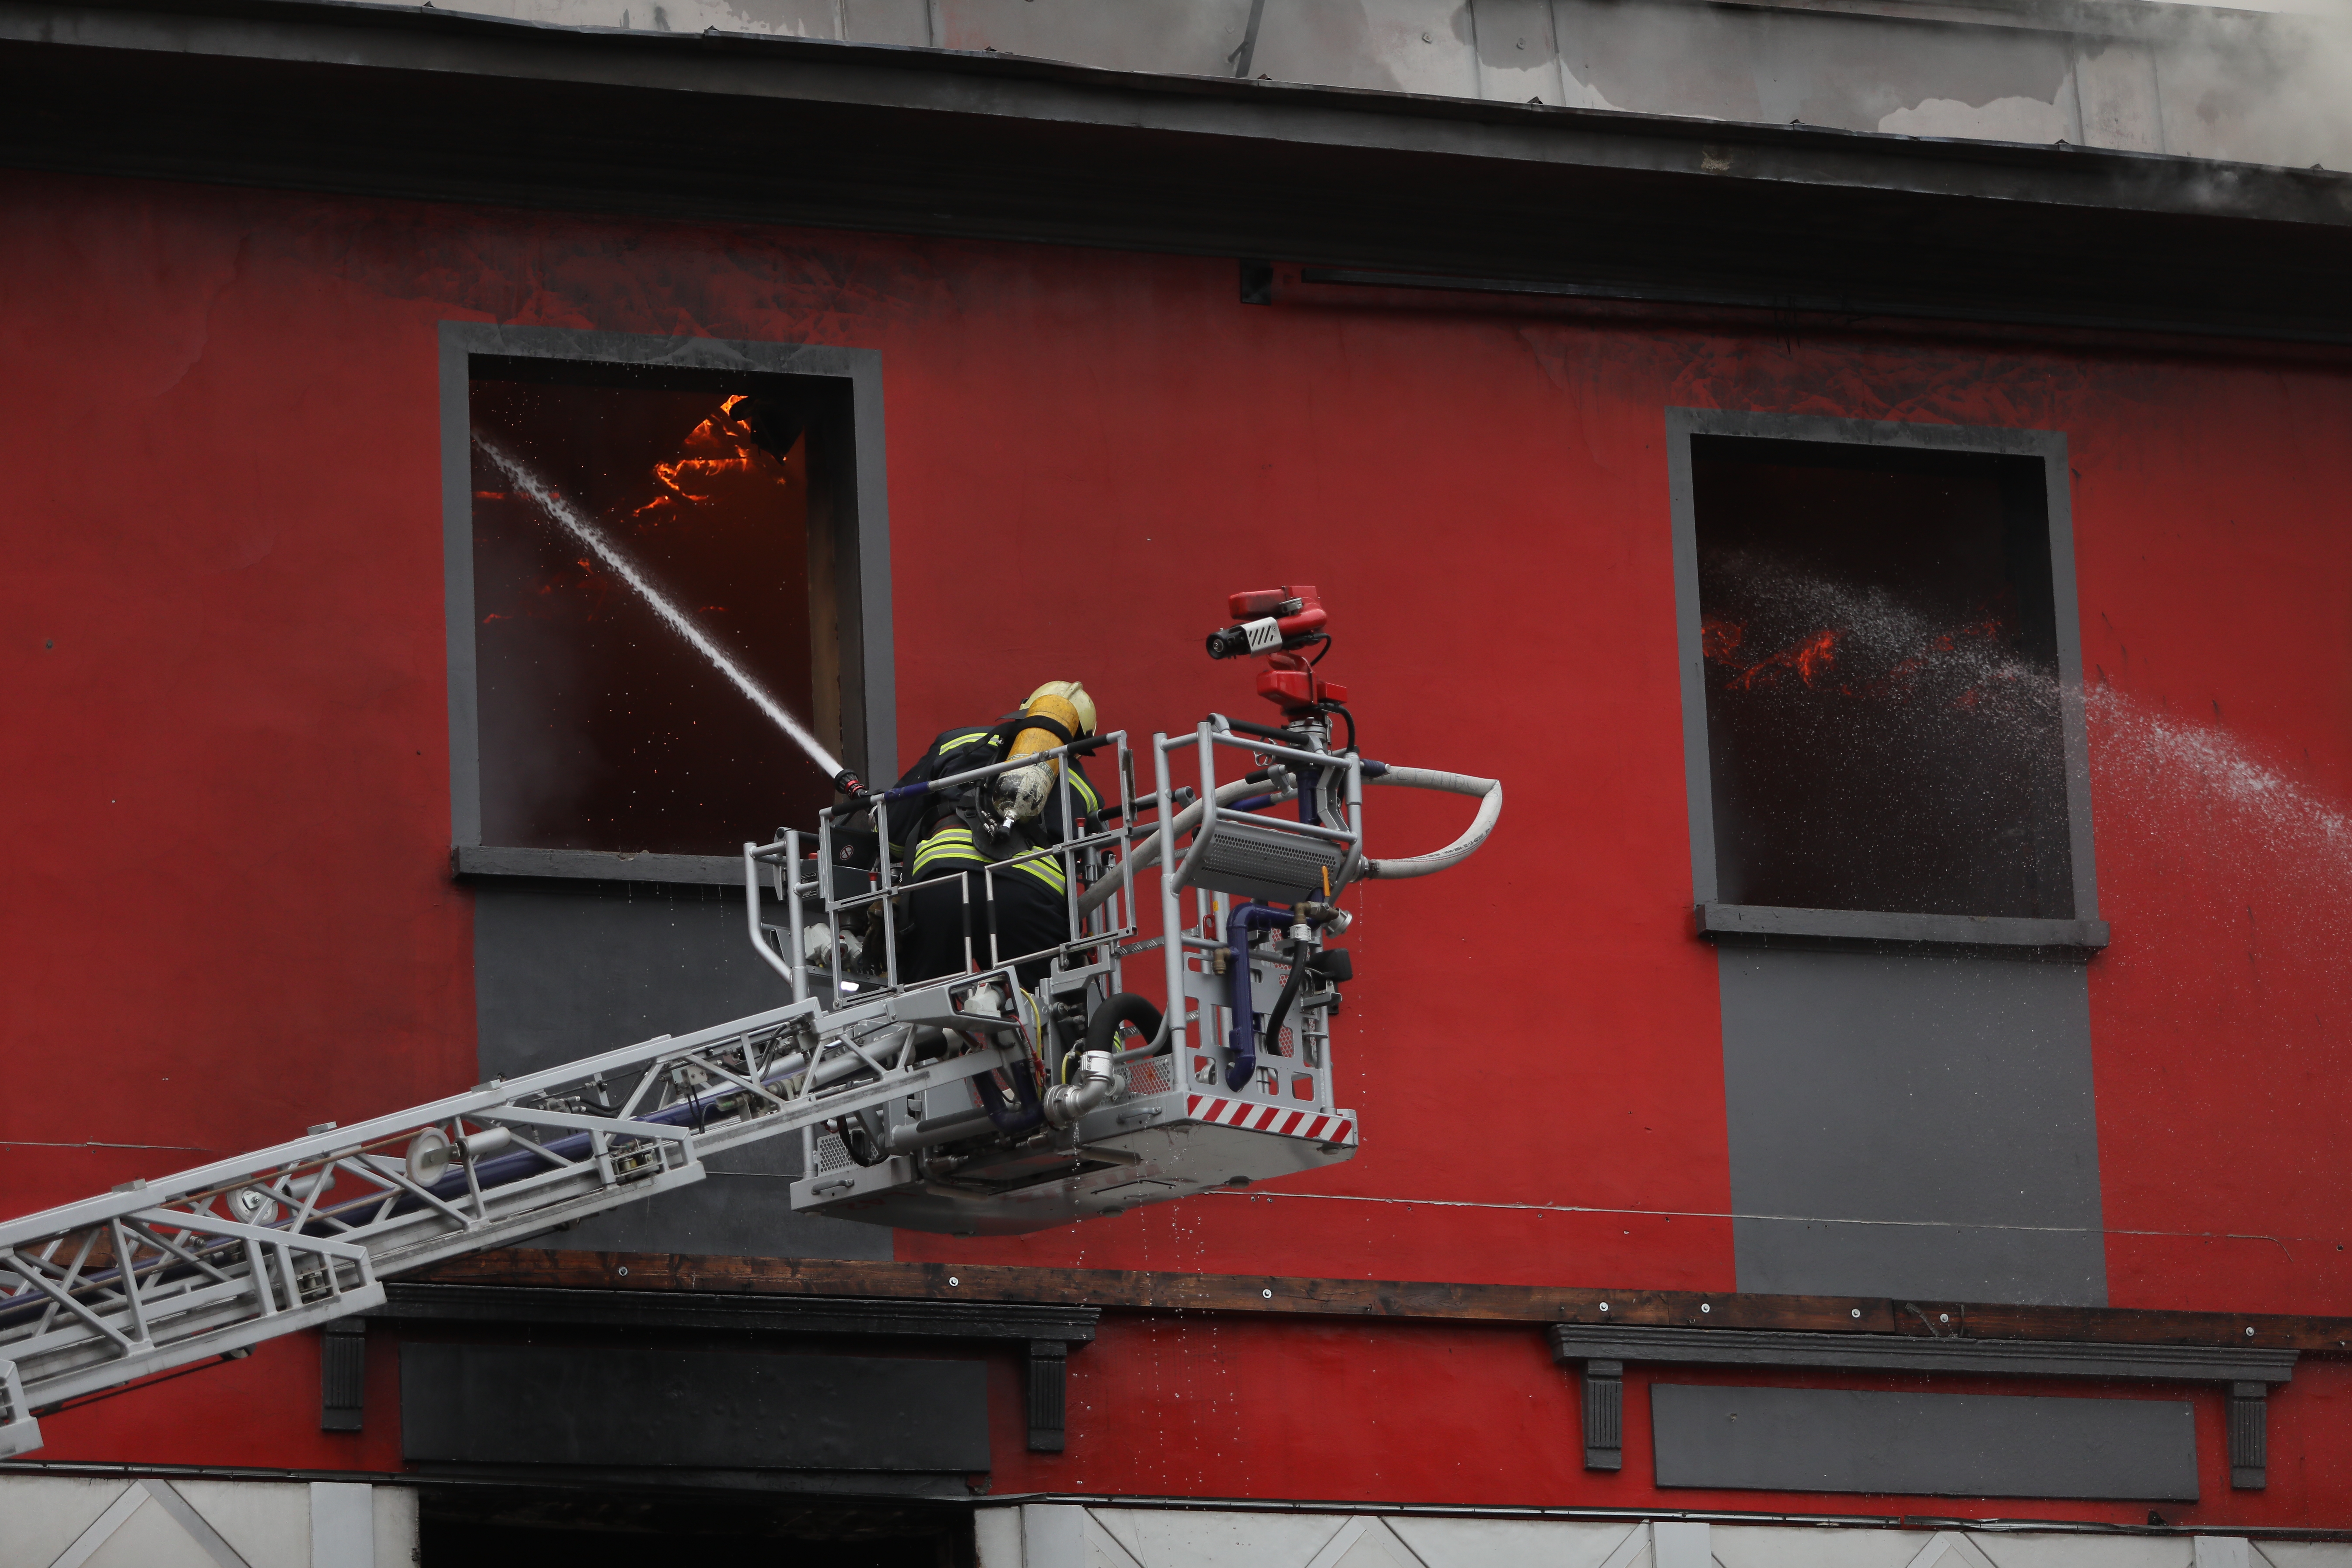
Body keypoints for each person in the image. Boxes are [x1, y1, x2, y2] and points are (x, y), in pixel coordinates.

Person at [882, 681, 1102, 985]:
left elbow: (892, 834)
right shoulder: (1084, 788)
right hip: (1029, 891)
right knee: (1059, 1012)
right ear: (1080, 742)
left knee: (926, 1008)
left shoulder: (956, 742)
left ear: (1025, 710)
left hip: (942, 880)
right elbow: (1077, 865)